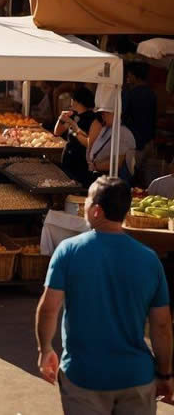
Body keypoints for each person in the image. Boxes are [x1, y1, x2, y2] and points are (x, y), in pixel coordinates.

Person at [36, 176, 173, 413]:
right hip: (136, 378)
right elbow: (161, 325)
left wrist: (45, 349)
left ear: (97, 211)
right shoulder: (149, 259)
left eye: (87, 200)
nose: (84, 206)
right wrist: (165, 373)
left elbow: (49, 308)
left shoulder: (68, 251)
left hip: (83, 377)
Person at [53, 86, 97, 187]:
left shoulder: (92, 118)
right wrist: (61, 118)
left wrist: (73, 124)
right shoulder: (73, 115)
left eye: (72, 99)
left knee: (77, 188)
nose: (71, 102)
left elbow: (89, 142)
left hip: (81, 161)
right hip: (68, 158)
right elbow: (57, 132)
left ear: (77, 101)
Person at [87, 103, 137, 182]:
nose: (102, 116)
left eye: (105, 113)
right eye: (102, 114)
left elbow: (117, 163)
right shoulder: (106, 128)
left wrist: (95, 166)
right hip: (101, 177)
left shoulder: (123, 132)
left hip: (116, 182)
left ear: (115, 114)